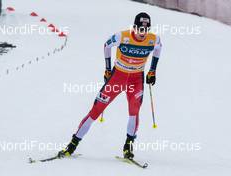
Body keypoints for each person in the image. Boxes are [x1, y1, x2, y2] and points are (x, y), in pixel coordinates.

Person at [58, 12, 162, 159]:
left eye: (145, 29)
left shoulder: (154, 39)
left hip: (136, 80)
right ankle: (72, 145)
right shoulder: (122, 36)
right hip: (117, 77)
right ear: (134, 27)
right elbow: (107, 46)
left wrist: (152, 71)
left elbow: (158, 49)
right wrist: (107, 68)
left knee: (134, 110)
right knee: (96, 110)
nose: (142, 33)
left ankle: (128, 147)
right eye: (140, 29)